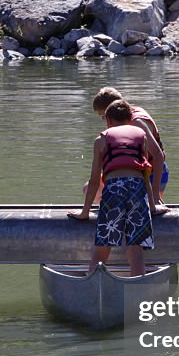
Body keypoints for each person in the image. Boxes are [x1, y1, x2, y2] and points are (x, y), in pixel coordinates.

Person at [68, 99, 155, 277]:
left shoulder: (101, 139)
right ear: (130, 118)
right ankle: (137, 291)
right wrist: (152, 206)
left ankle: (93, 286)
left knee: (101, 250)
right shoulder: (141, 135)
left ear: (108, 120)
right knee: (136, 253)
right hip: (137, 189)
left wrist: (84, 213)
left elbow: (94, 181)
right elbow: (146, 173)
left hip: (114, 189)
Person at [88, 87, 169, 214]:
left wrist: (155, 195)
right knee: (88, 187)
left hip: (153, 174)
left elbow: (158, 155)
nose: (104, 121)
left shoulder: (136, 122)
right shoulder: (129, 116)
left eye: (103, 116)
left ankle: (117, 215)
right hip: (137, 173)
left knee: (94, 189)